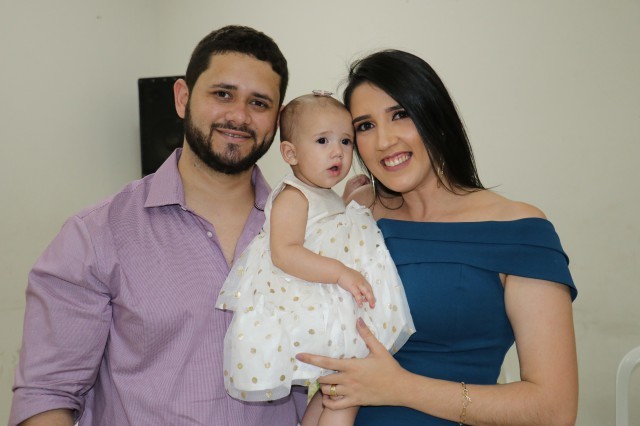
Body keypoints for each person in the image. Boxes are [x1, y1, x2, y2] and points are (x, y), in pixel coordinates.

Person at [9, 25, 307, 426]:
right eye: (222, 94)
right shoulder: (96, 235)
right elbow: (46, 397)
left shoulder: (312, 233)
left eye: (258, 102)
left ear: (277, 118)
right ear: (182, 98)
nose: (239, 116)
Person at [296, 50, 579, 425]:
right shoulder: (354, 216)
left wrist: (401, 388)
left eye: (400, 114)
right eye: (365, 126)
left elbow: (554, 409)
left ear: (436, 118)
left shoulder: (519, 229)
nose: (384, 141)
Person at [215, 93, 415, 426]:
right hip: (307, 304)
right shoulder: (293, 196)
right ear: (290, 153)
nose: (338, 151)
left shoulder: (321, 194)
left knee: (333, 388)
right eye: (323, 141)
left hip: (328, 303)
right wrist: (341, 273)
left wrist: (347, 202)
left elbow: (327, 231)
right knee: (347, 389)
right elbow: (285, 252)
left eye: (346, 141)